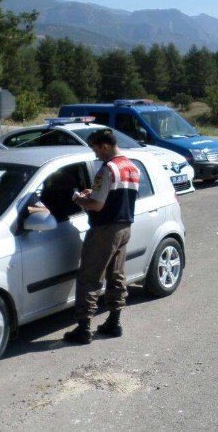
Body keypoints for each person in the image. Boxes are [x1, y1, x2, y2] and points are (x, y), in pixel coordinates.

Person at [63, 129, 140, 344]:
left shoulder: (108, 169)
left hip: (104, 229)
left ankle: (83, 328)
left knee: (90, 276)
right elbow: (118, 197)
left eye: (96, 149)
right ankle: (114, 322)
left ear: (105, 146)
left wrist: (79, 198)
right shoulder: (132, 167)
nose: (96, 155)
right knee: (116, 274)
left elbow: (97, 205)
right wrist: (95, 194)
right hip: (125, 226)